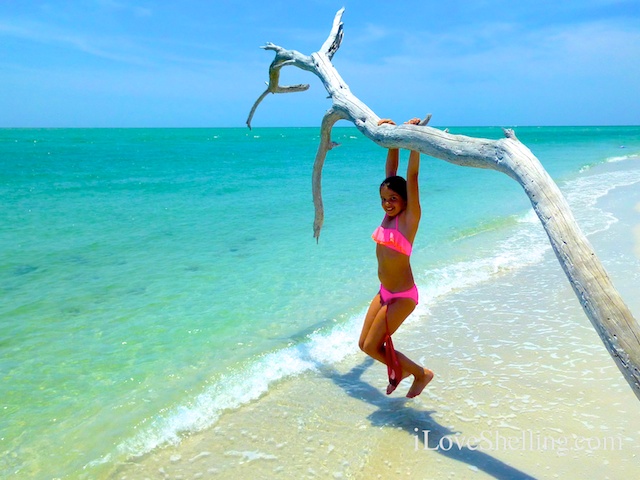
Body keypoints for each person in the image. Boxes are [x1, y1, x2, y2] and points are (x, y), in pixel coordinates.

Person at [359, 117, 434, 398]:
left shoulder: (409, 219)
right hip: (384, 292)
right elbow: (391, 171)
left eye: (393, 199)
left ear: (404, 200)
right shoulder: (387, 216)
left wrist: (414, 139)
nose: (388, 204)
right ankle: (400, 370)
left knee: (371, 346)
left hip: (403, 296)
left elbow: (410, 177)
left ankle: (419, 373)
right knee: (363, 344)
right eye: (384, 199)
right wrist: (391, 138)